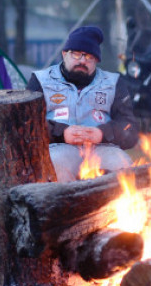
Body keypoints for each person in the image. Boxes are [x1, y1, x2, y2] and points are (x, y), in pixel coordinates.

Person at [27, 25, 139, 182]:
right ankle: (62, 206)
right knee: (53, 164)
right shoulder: (41, 80)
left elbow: (130, 128)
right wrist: (61, 132)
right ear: (64, 54)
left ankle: (119, 206)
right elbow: (28, 125)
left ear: (96, 61)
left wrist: (102, 133)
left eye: (89, 57)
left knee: (122, 165)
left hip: (103, 148)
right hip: (58, 148)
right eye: (76, 54)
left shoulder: (113, 83)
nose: (82, 61)